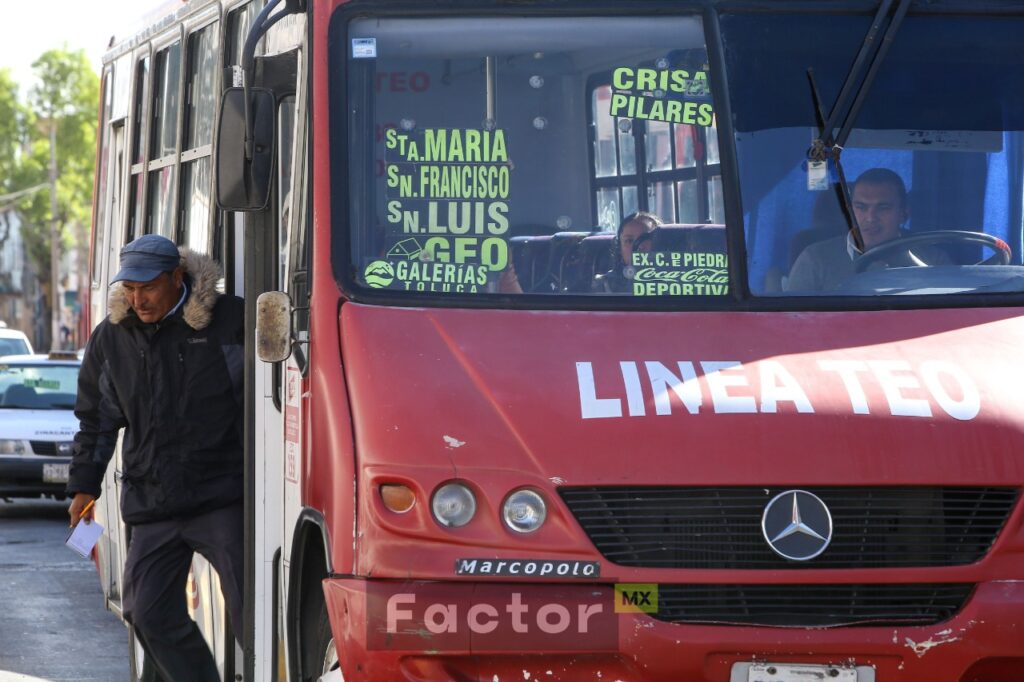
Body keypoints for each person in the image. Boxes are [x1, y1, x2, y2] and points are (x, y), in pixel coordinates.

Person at [66, 234, 245, 682]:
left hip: (224, 495)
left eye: (147, 287)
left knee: (252, 612)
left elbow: (264, 401)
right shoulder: (112, 338)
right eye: (129, 288)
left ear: (176, 278)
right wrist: (83, 488)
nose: (137, 298)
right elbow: (97, 422)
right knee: (145, 612)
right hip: (153, 498)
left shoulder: (230, 322)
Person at [785, 168, 948, 292]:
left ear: (903, 213)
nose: (870, 217)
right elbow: (793, 323)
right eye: (861, 207)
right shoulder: (815, 259)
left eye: (883, 208)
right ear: (850, 212)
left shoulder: (932, 261)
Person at [593, 211, 662, 293]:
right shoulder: (604, 285)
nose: (639, 247)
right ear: (620, 249)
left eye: (645, 239)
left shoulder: (677, 281)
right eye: (629, 241)